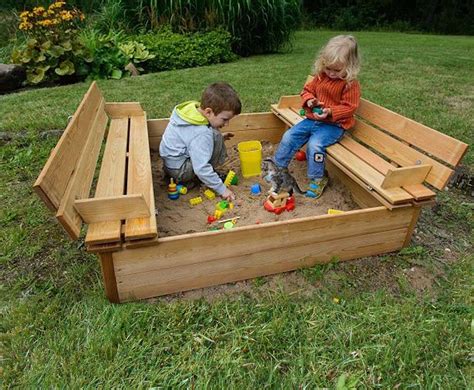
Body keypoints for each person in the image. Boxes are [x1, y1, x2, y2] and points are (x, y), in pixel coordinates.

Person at [274, 35, 361, 198]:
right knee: (289, 136)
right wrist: (310, 101)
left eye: (337, 70)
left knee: (315, 146)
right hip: (312, 119)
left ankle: (318, 178)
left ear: (350, 66)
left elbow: (350, 107)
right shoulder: (321, 76)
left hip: (334, 126)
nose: (332, 73)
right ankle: (278, 167)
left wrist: (331, 112)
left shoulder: (350, 84)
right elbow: (306, 91)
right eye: (329, 68)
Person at [159, 82, 242, 200]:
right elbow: (201, 167)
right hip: (180, 171)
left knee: (215, 135)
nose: (227, 124)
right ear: (208, 112)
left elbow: (189, 137)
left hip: (170, 164)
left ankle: (185, 178)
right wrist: (223, 190)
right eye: (225, 119)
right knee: (215, 135)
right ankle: (193, 180)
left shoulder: (191, 112)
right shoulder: (202, 133)